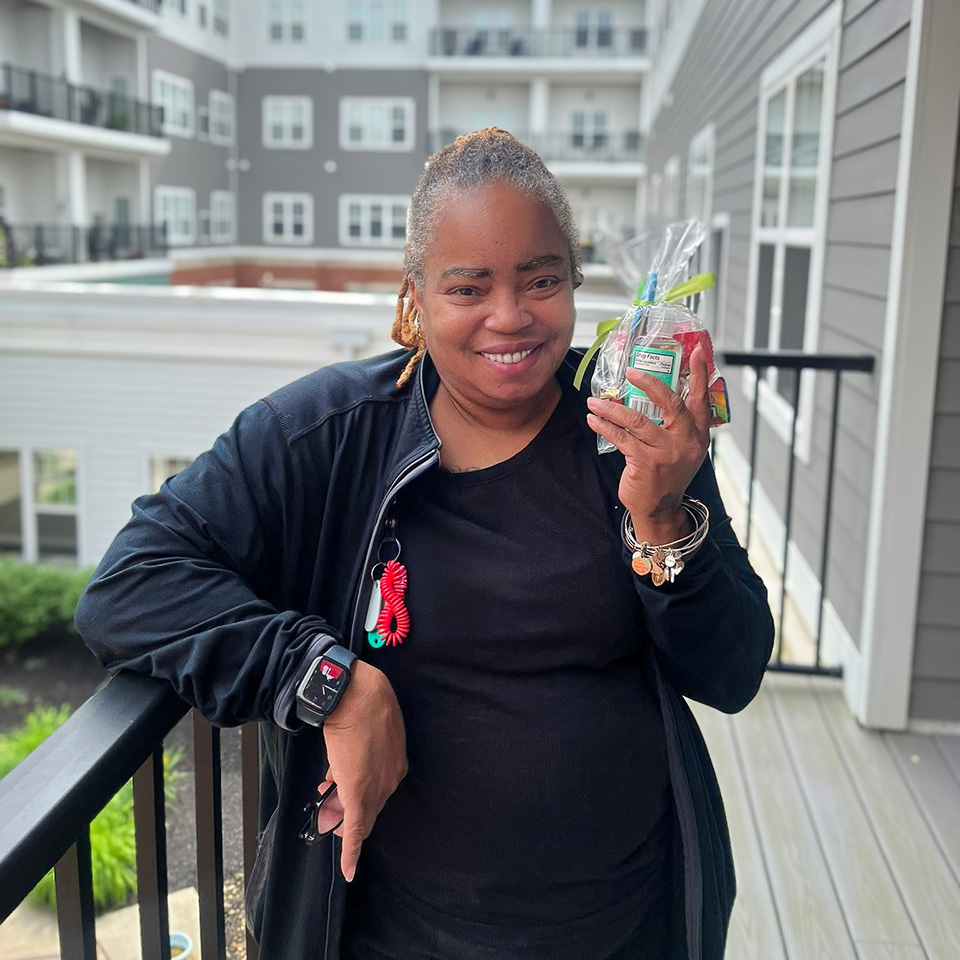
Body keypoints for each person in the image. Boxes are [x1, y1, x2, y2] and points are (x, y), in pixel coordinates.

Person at [76, 129, 774, 960]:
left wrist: (662, 517)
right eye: (468, 287)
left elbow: (729, 674)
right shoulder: (328, 437)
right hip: (394, 934)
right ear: (416, 296)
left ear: (577, 284)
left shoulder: (630, 427)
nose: (510, 316)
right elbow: (131, 585)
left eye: (542, 280)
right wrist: (324, 678)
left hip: (629, 924)